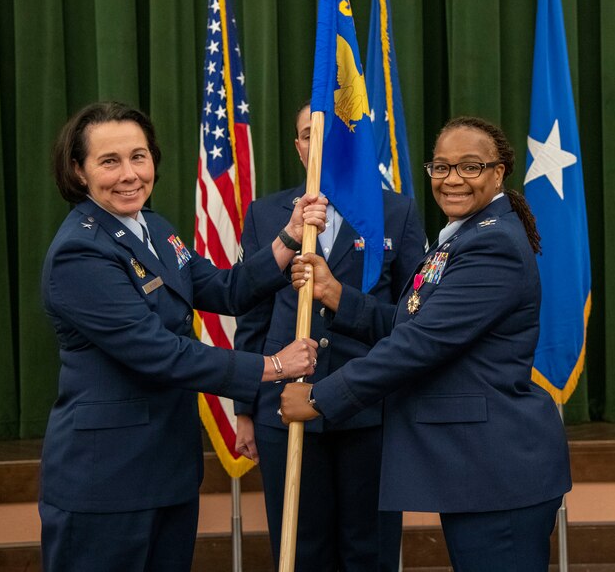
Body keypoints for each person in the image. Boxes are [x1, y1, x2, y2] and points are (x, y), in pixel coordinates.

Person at [38, 101, 326, 572]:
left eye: (139, 156)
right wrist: (274, 367)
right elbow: (161, 354)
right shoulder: (80, 252)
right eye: (109, 162)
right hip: (106, 480)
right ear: (78, 170)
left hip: (167, 469)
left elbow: (225, 289)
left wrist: (289, 237)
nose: (129, 174)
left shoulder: (152, 227)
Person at [281, 116, 572, 571]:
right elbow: (413, 323)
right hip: (477, 472)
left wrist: (319, 397)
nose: (452, 179)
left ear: (499, 173)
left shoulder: (490, 245)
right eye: (441, 167)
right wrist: (336, 295)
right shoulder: (464, 237)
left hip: (497, 475)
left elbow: (418, 345)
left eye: (470, 167)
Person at [233, 102, 427, 571]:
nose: (318, 144)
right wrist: (244, 410)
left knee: (369, 549)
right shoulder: (266, 215)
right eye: (307, 135)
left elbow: (415, 317)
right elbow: (251, 317)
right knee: (301, 550)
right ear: (299, 148)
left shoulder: (395, 212)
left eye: (334, 135)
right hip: (286, 411)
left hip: (369, 408)